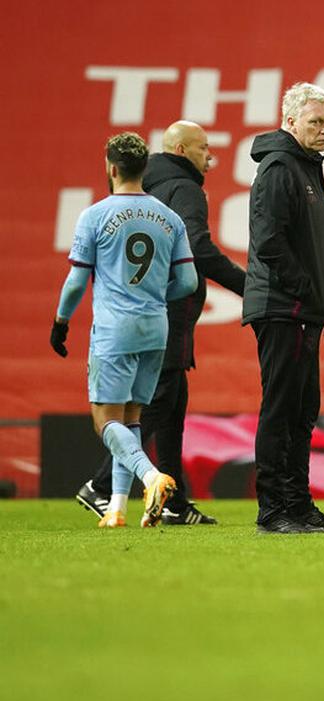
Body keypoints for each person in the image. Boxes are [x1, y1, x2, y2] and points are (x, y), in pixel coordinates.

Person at [75, 121, 245, 525]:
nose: (210, 159)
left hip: (125, 309)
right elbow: (198, 248)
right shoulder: (185, 190)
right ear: (183, 150)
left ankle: (173, 500)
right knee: (154, 401)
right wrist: (249, 286)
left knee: (172, 404)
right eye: (205, 149)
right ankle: (100, 486)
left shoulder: (139, 185)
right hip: (164, 311)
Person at [51, 132, 198, 527]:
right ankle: (116, 508)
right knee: (131, 417)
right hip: (156, 328)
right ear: (144, 169)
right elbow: (188, 282)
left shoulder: (95, 216)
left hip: (115, 329)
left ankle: (151, 477)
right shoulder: (169, 218)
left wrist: (61, 322)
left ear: (111, 168)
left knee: (106, 421)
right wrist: (154, 294)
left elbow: (77, 282)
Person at [243, 82, 324, 534]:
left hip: (303, 308)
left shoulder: (303, 165)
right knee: (282, 408)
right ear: (290, 121)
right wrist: (304, 289)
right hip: (284, 308)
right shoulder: (279, 168)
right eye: (316, 122)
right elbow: (269, 242)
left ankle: (299, 504)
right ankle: (273, 509)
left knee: (304, 410)